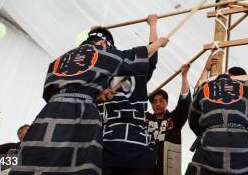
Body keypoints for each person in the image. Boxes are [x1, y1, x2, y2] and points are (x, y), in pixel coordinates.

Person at [10, 19, 169, 175]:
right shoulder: (102, 55)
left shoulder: (59, 60)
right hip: (82, 116)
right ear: (105, 44)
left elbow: (50, 92)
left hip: (49, 114)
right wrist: (159, 41)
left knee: (37, 160)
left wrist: (95, 95)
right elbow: (138, 54)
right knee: (79, 164)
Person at [98, 15, 160, 175]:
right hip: (119, 145)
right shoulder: (102, 76)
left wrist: (153, 25)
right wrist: (153, 25)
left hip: (123, 145)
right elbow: (151, 51)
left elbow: (151, 53)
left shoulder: (102, 75)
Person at [185, 61, 248, 175]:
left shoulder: (204, 88)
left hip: (209, 145)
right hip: (240, 145)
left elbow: (192, 120)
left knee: (197, 169)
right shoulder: (245, 86)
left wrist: (207, 132)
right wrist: (242, 120)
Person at [147, 63, 192, 175]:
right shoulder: (145, 119)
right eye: (154, 101)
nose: (157, 104)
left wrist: (184, 76)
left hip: (168, 168)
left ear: (167, 102)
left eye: (161, 100)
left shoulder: (174, 119)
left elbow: (184, 102)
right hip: (146, 167)